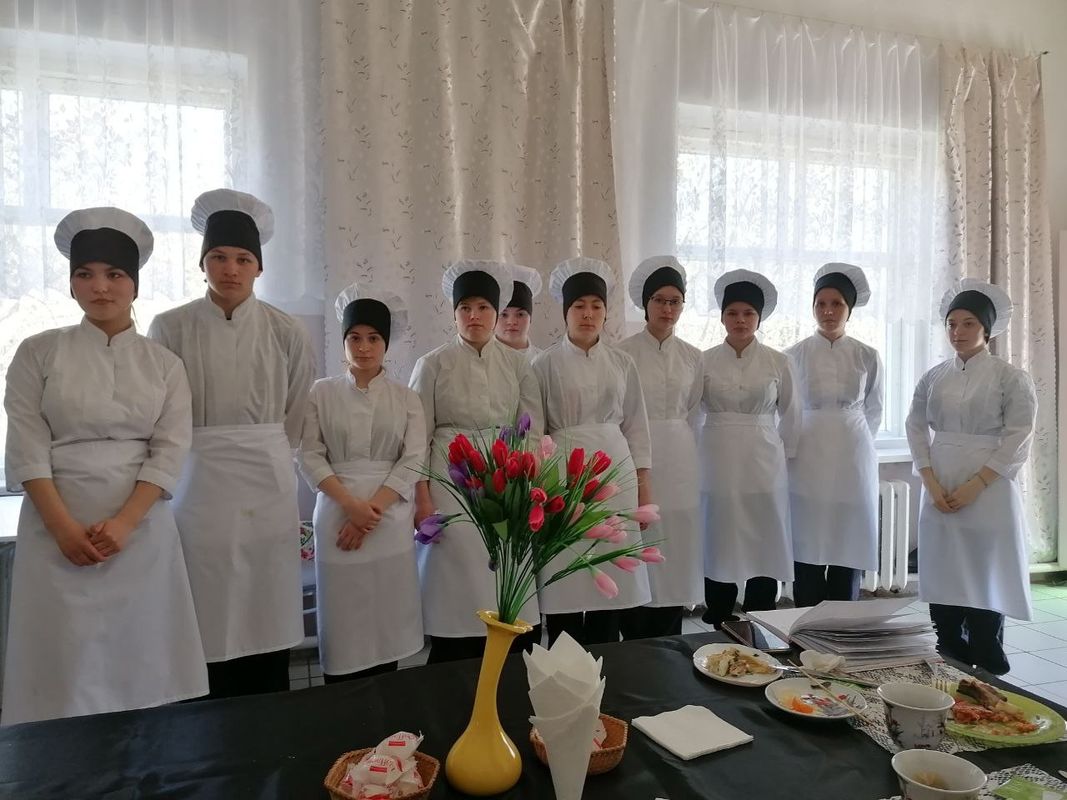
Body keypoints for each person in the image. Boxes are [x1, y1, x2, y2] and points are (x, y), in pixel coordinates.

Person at [2, 207, 207, 724]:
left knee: (140, 663)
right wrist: (63, 529)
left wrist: (124, 523)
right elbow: (26, 445)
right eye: (85, 274)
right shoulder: (37, 352)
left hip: (140, 529)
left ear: (134, 284)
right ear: (71, 283)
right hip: (55, 528)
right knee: (64, 668)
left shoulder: (164, 364)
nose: (100, 287)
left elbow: (170, 448)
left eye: (115, 274)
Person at [148, 189, 314, 698]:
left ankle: (269, 711)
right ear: (202, 263)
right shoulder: (170, 327)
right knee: (206, 596)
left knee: (267, 598)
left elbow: (296, 411)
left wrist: (264, 447)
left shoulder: (287, 331)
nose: (230, 269)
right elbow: (157, 409)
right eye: (218, 257)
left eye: (243, 258)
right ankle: (205, 711)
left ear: (259, 267)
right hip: (197, 480)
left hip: (267, 477)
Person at [410, 260, 543, 662]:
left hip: (505, 479)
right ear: (454, 314)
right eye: (465, 307)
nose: (474, 316)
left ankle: (506, 665)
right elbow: (417, 436)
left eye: (484, 307)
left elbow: (532, 429)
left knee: (502, 576)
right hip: (449, 479)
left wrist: (525, 486)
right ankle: (451, 661)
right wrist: (422, 498)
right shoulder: (432, 364)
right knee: (456, 579)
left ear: (496, 312)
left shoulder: (518, 364)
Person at [905, 279, 1036, 675]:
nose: (957, 332)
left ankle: (987, 649)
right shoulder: (934, 376)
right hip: (940, 483)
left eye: (968, 324)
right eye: (951, 324)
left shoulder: (1010, 377)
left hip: (989, 488)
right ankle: (949, 645)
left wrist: (977, 484)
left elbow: (1018, 435)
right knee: (943, 565)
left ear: (987, 329)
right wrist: (930, 481)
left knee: (983, 567)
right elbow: (915, 426)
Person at [298, 284, 426, 682]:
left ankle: (386, 706)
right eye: (355, 337)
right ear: (343, 341)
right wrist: (350, 506)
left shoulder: (406, 398)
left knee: (387, 624)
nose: (364, 347)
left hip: (390, 517)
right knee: (344, 624)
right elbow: (309, 454)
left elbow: (414, 458)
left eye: (373, 338)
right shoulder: (320, 393)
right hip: (336, 513)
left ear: (386, 343)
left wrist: (371, 511)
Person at [532, 257, 652, 645]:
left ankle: (606, 655)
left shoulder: (622, 362)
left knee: (610, 565)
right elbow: (535, 431)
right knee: (565, 568)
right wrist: (542, 490)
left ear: (605, 312)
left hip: (616, 473)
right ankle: (563, 657)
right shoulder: (543, 364)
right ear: (565, 312)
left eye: (596, 306)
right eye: (579, 306)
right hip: (562, 475)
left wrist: (643, 486)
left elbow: (636, 427)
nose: (588, 314)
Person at [700, 269, 799, 628]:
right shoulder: (704, 360)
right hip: (716, 456)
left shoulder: (779, 361)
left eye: (748, 313)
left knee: (763, 533)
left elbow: (792, 415)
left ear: (759, 317)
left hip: (763, 458)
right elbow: (692, 411)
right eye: (732, 313)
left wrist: (786, 459)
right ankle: (718, 614)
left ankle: (761, 615)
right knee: (719, 533)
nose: (740, 320)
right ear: (722, 317)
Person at [785, 263, 883, 606]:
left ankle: (844, 623)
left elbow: (875, 409)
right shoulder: (792, 355)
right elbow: (785, 409)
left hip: (853, 455)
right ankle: (805, 622)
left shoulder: (867, 355)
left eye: (836, 304)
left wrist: (852, 436)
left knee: (848, 540)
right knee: (807, 539)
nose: (828, 311)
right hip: (806, 454)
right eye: (821, 304)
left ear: (849, 308)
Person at [617, 255, 703, 638]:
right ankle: (634, 633)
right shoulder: (623, 353)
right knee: (639, 538)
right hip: (636, 456)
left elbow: (695, 410)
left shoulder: (693, 357)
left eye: (675, 301)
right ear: (645, 303)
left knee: (676, 544)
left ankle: (670, 635)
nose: (667, 309)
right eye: (659, 300)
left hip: (681, 458)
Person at [495, 264, 544, 362]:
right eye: (504, 314)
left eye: (520, 314)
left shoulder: (543, 361)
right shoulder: (478, 358)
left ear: (530, 318)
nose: (512, 322)